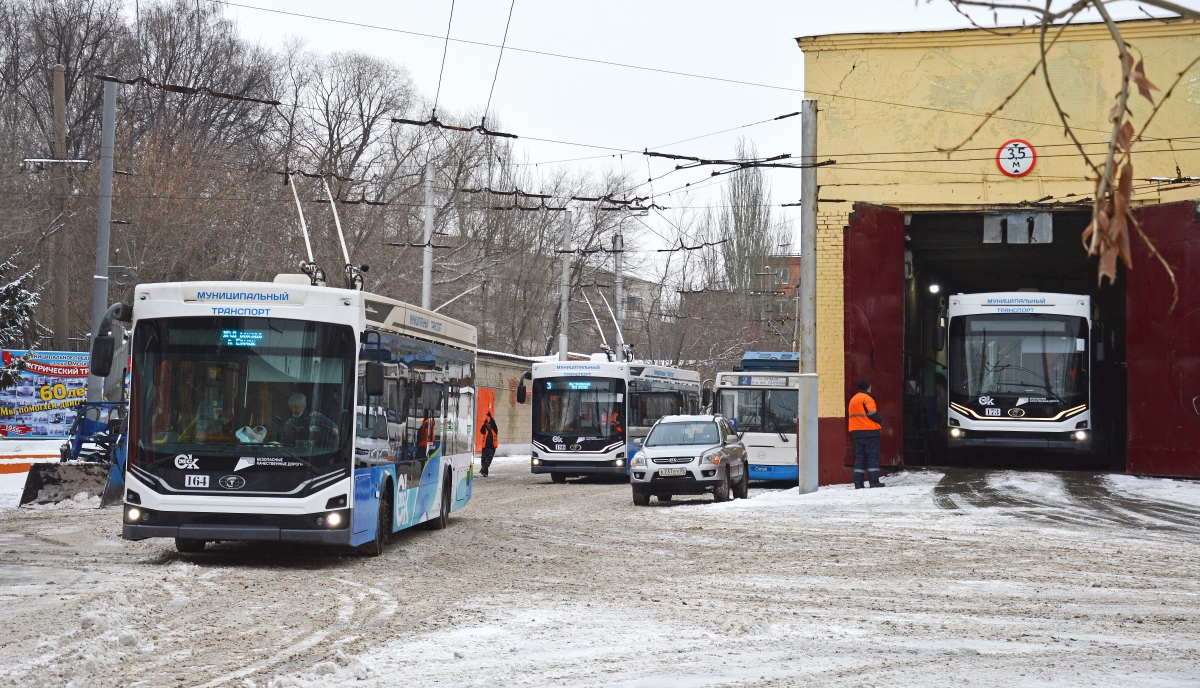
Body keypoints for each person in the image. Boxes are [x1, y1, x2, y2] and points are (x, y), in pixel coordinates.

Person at [848, 380, 884, 489]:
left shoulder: (853, 399)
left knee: (860, 457)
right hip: (869, 431)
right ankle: (874, 482)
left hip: (856, 433)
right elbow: (872, 413)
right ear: (868, 388)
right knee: (872, 456)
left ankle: (858, 483)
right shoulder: (867, 398)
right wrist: (880, 420)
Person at [479, 411, 498, 477]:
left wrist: (490, 417)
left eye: (490, 425)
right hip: (485, 448)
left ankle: (482, 470)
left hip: (491, 449)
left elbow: (494, 424)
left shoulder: (494, 431)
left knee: (487, 461)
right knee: (483, 461)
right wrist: (484, 424)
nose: (489, 426)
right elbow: (481, 430)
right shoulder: (485, 431)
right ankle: (485, 473)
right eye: (488, 425)